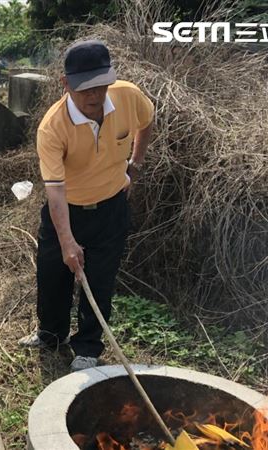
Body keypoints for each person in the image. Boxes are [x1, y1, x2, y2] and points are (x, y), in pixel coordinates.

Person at [17, 40, 155, 372]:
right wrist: (67, 241)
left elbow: (146, 120)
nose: (94, 96)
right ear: (66, 84)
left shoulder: (127, 96)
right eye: (84, 89)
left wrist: (134, 165)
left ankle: (88, 346)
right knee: (53, 276)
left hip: (111, 208)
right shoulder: (52, 127)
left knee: (100, 280)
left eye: (100, 86)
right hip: (67, 209)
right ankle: (51, 335)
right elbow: (55, 190)